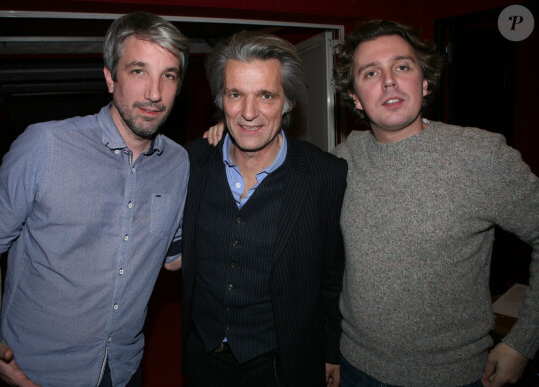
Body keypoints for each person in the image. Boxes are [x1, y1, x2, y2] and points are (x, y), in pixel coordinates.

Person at [0, 12, 189, 386]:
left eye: (168, 75)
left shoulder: (178, 163)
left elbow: (174, 256)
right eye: (138, 71)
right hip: (36, 373)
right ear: (110, 76)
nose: (154, 92)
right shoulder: (44, 146)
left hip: (122, 370)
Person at [331, 20, 539, 387]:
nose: (389, 80)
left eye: (402, 66)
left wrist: (523, 343)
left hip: (451, 377)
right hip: (354, 368)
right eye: (370, 73)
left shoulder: (480, 156)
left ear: (424, 81)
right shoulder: (343, 159)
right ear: (354, 97)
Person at [177, 31, 348, 386]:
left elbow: (333, 277)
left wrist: (332, 349)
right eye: (236, 94)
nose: (249, 112)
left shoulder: (324, 176)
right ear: (221, 99)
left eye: (266, 96)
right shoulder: (190, 162)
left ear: (287, 103)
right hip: (202, 358)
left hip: (280, 364)